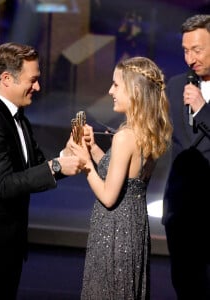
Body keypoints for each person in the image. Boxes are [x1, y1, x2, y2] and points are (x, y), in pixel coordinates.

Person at [0, 42, 85, 300]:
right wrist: (56, 166)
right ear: (6, 79)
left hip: (7, 246)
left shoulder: (17, 116)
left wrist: (64, 157)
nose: (38, 87)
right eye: (33, 80)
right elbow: (4, 184)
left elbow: (34, 166)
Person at [67, 56, 172, 299]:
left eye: (116, 85)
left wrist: (85, 163)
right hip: (133, 230)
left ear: (134, 91)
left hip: (114, 233)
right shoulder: (146, 132)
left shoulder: (124, 137)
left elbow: (109, 196)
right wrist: (93, 150)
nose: (110, 90)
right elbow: (126, 176)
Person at [162, 14, 210, 300]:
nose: (190, 58)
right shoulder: (177, 84)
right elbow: (159, 134)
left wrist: (203, 109)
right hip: (181, 212)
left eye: (197, 49)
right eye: (185, 50)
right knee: (186, 288)